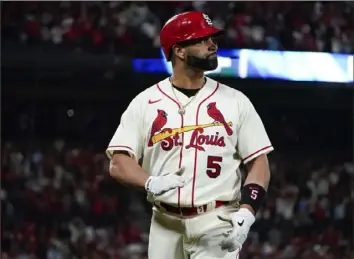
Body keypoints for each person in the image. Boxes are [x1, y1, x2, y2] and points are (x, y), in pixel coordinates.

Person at [106, 11, 273, 259]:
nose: (212, 43)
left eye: (212, 38)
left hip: (217, 222)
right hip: (165, 223)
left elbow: (259, 162)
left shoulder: (236, 102)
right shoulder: (145, 103)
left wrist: (248, 210)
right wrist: (150, 182)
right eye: (202, 39)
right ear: (179, 51)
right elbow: (118, 162)